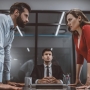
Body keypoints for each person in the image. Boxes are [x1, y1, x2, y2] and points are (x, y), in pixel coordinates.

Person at [0, 2, 31, 89]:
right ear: (16, 12)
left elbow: (7, 56)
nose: (27, 20)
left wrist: (7, 80)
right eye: (26, 15)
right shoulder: (2, 19)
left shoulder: (12, 32)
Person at [65, 9, 90, 89]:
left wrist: (88, 79)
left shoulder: (87, 28)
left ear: (79, 18)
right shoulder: (75, 35)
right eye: (67, 21)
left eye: (70, 20)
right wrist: (77, 79)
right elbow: (79, 57)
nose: (68, 23)